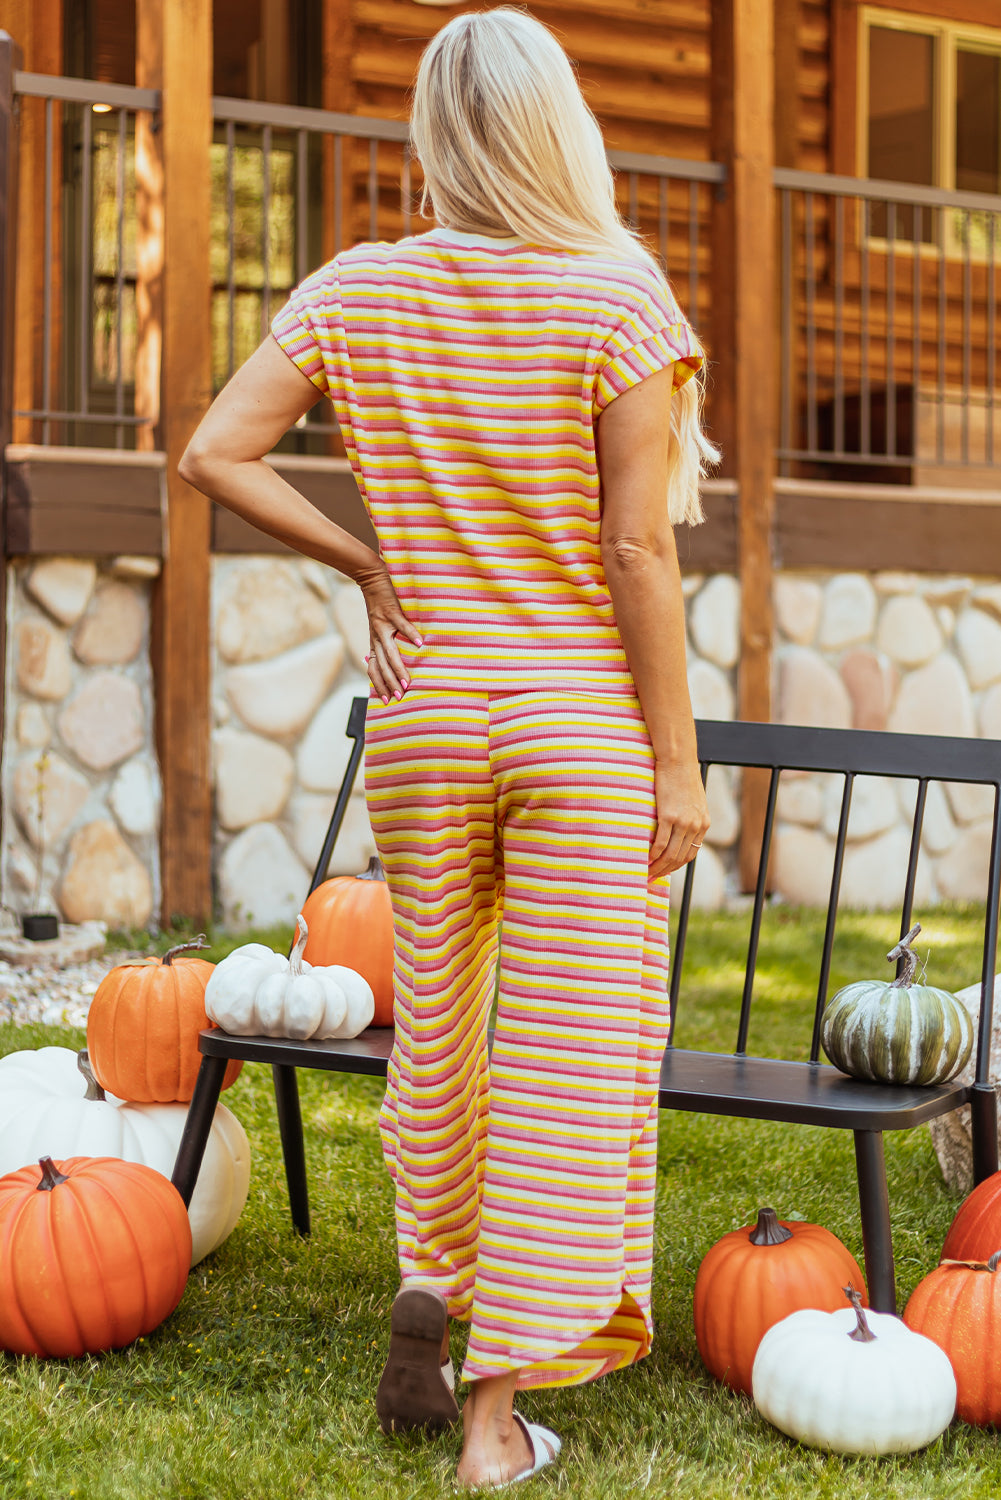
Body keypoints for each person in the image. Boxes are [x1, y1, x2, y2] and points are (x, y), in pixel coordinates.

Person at [180, 7, 716, 1488]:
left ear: (434, 133)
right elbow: (635, 550)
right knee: (564, 1064)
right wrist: (675, 763)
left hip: (422, 726)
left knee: (444, 1026)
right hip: (572, 729)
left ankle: (439, 1277)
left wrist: (367, 566)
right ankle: (494, 1421)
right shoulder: (615, 294)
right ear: (560, 126)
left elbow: (211, 451)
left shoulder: (357, 290)